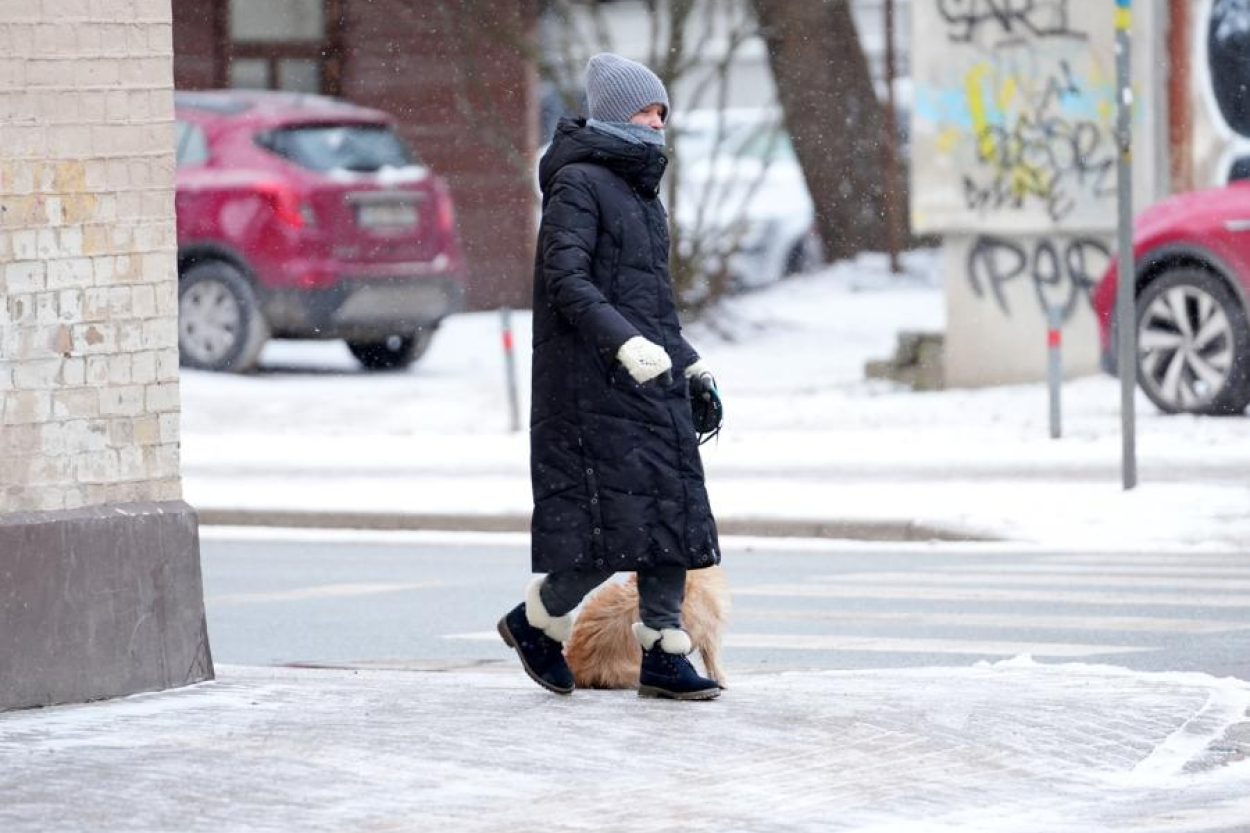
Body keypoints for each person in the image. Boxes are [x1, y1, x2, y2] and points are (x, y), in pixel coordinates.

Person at [497, 53, 721, 701]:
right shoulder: (579, 183)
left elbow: (654, 303)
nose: (658, 123)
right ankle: (535, 620)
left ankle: (663, 652)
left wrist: (690, 361)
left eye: (662, 112)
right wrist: (623, 344)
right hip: (592, 385)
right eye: (648, 111)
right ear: (617, 114)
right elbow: (568, 281)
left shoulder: (642, 195)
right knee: (611, 527)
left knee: (670, 518)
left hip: (651, 380)